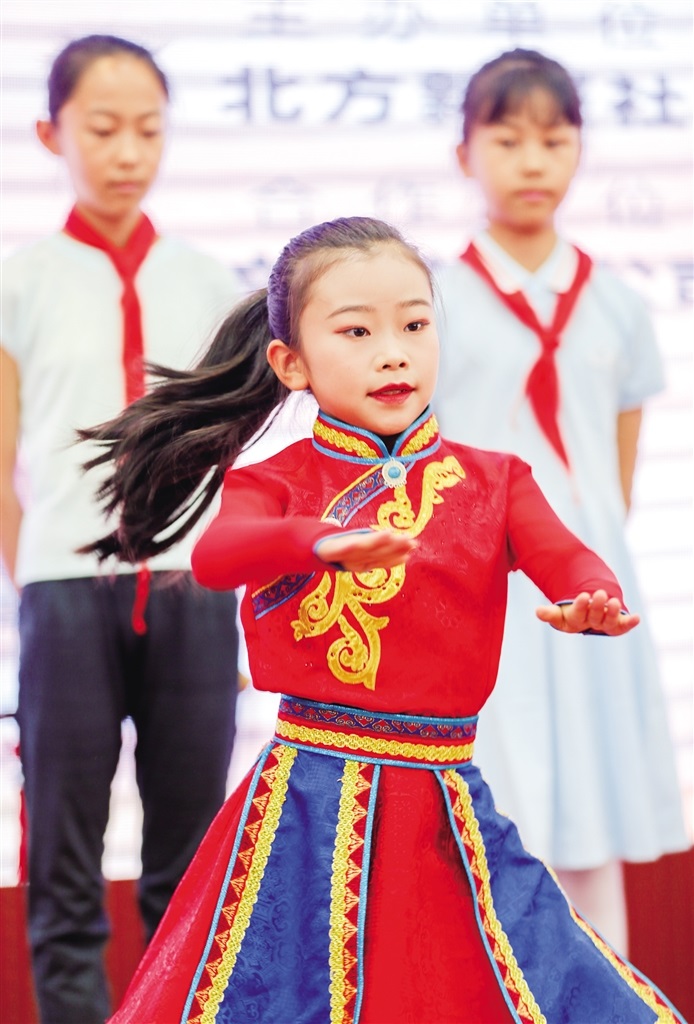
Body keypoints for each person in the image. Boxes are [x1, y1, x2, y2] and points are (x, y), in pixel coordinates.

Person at [79, 216, 685, 1023]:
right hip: (307, 797)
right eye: (357, 332)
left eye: (414, 325)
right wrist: (317, 540)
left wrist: (593, 597)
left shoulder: (495, 480)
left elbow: (568, 558)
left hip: (443, 797)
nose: (393, 352)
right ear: (290, 364)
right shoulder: (273, 480)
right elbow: (219, 558)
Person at [0, 36, 240, 1024]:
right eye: (102, 129)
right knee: (63, 848)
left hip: (192, 591)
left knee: (190, 855)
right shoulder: (19, 282)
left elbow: (233, 453)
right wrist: (34, 583)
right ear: (50, 133)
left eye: (147, 129)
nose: (127, 151)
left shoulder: (210, 282)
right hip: (64, 591)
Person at [434, 48, 688, 953]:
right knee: (496, 805)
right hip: (485, 590)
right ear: (465, 153)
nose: (532, 162)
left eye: (554, 140)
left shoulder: (615, 303)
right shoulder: (432, 303)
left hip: (589, 589)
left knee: (592, 802)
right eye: (507, 141)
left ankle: (602, 994)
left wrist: (581, 558)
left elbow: (616, 466)